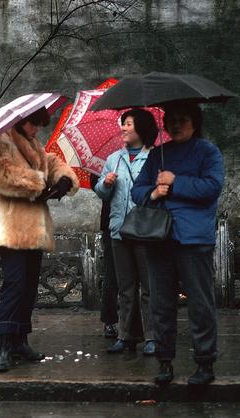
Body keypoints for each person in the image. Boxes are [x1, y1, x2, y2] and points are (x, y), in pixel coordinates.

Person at [0, 107, 79, 373]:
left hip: (34, 227)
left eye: (38, 125)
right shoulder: (0, 142)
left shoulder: (33, 144)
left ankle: (21, 338)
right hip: (10, 226)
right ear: (22, 122)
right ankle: (4, 345)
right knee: (14, 283)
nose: (36, 130)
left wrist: (64, 179)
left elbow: (51, 161)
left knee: (30, 285)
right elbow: (0, 175)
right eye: (33, 124)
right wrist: (40, 183)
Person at [131, 102, 224, 385]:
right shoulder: (159, 153)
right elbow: (137, 190)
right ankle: (165, 361)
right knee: (161, 303)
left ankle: (205, 363)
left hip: (193, 239)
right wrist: (155, 193)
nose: (175, 125)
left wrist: (175, 181)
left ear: (195, 123)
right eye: (171, 120)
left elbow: (211, 187)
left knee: (200, 303)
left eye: (182, 120)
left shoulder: (207, 152)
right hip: (159, 238)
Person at [95, 109, 158, 356]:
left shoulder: (153, 158)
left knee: (148, 287)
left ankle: (152, 336)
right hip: (119, 230)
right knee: (126, 287)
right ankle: (126, 336)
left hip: (144, 230)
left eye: (128, 124)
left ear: (140, 128)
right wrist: (105, 184)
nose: (122, 128)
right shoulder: (114, 159)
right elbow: (101, 192)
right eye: (122, 124)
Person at [90, 174, 118, 339]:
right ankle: (109, 321)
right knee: (111, 275)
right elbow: (96, 185)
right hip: (111, 222)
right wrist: (106, 183)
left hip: (140, 220)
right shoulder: (108, 161)